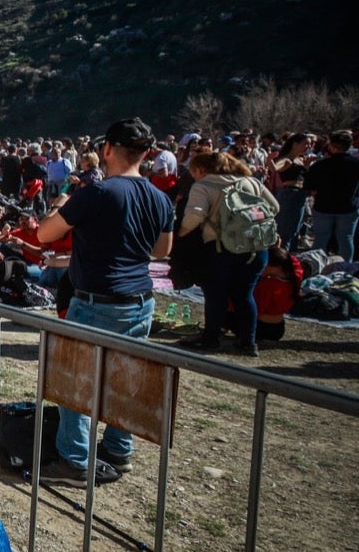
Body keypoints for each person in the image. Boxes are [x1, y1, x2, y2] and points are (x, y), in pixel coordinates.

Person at [34, 117, 174, 483]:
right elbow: (162, 249)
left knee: (75, 380)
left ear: (108, 149)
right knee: (125, 378)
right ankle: (117, 448)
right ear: (146, 153)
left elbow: (45, 233)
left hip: (97, 299)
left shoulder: (96, 193)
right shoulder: (160, 197)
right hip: (140, 298)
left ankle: (75, 459)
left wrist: (62, 201)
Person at [177, 151, 277, 357]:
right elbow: (274, 207)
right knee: (245, 295)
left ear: (201, 170)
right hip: (254, 248)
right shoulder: (251, 182)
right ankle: (248, 342)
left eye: (193, 171)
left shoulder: (203, 186)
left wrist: (181, 233)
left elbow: (195, 214)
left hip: (220, 248)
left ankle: (211, 338)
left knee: (216, 295)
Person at [305, 130, 359, 262]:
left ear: (332, 146)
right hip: (348, 206)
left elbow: (309, 187)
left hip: (323, 206)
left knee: (321, 238)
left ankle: (316, 266)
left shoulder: (320, 165)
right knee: (346, 238)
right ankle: (346, 269)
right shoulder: (356, 164)